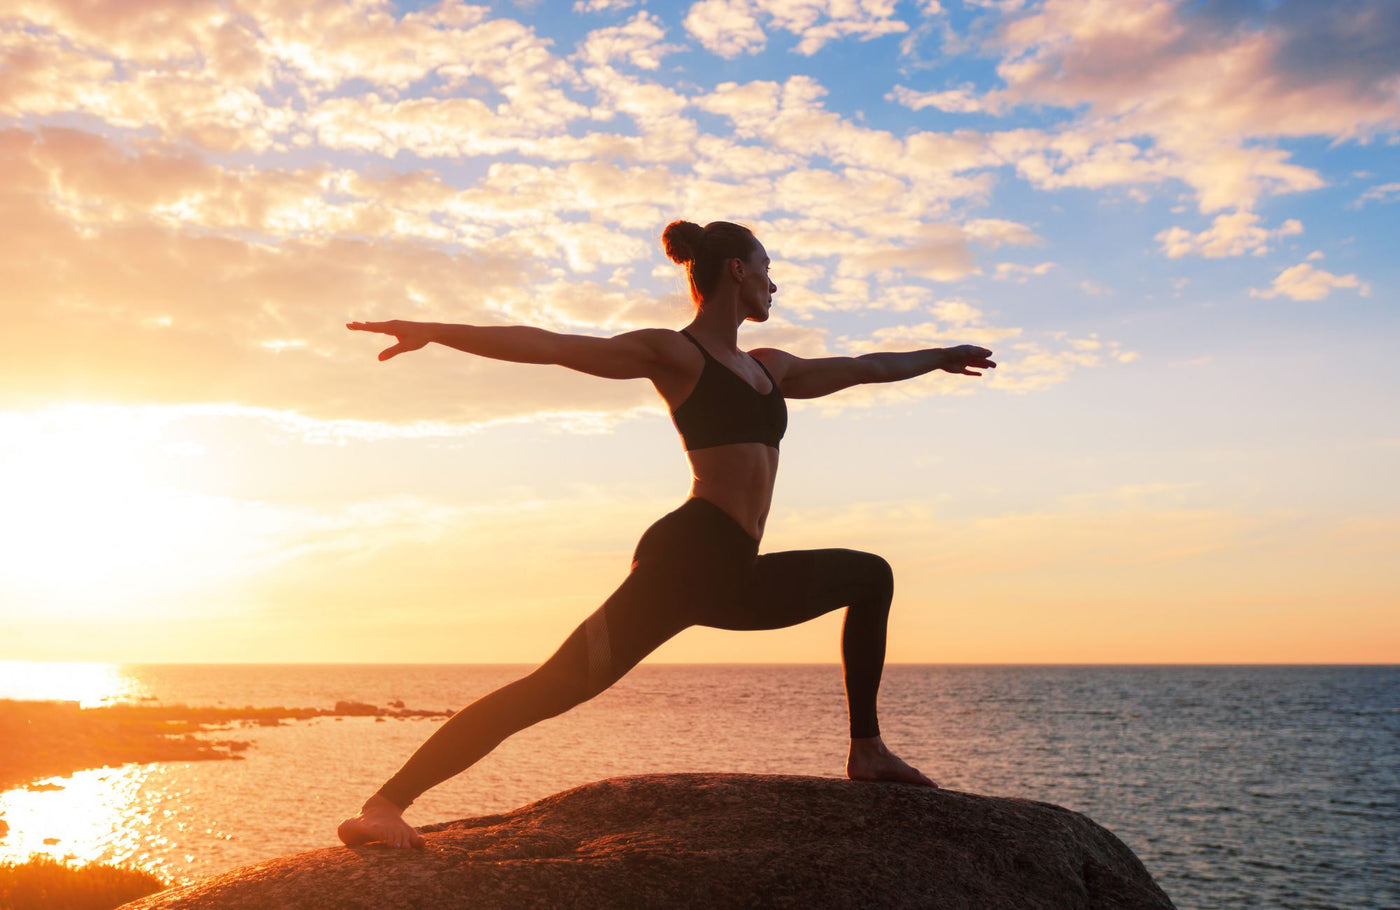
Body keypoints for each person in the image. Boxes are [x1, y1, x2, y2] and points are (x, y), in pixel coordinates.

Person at [338, 220, 996, 848]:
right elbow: (552, 344)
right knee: (555, 687)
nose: (775, 285)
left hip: (737, 574)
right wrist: (432, 331)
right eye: (768, 271)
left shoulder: (772, 369)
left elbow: (863, 366)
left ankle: (867, 751)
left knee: (869, 575)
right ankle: (384, 805)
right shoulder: (675, 354)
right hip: (683, 564)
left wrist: (940, 356)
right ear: (736, 271)